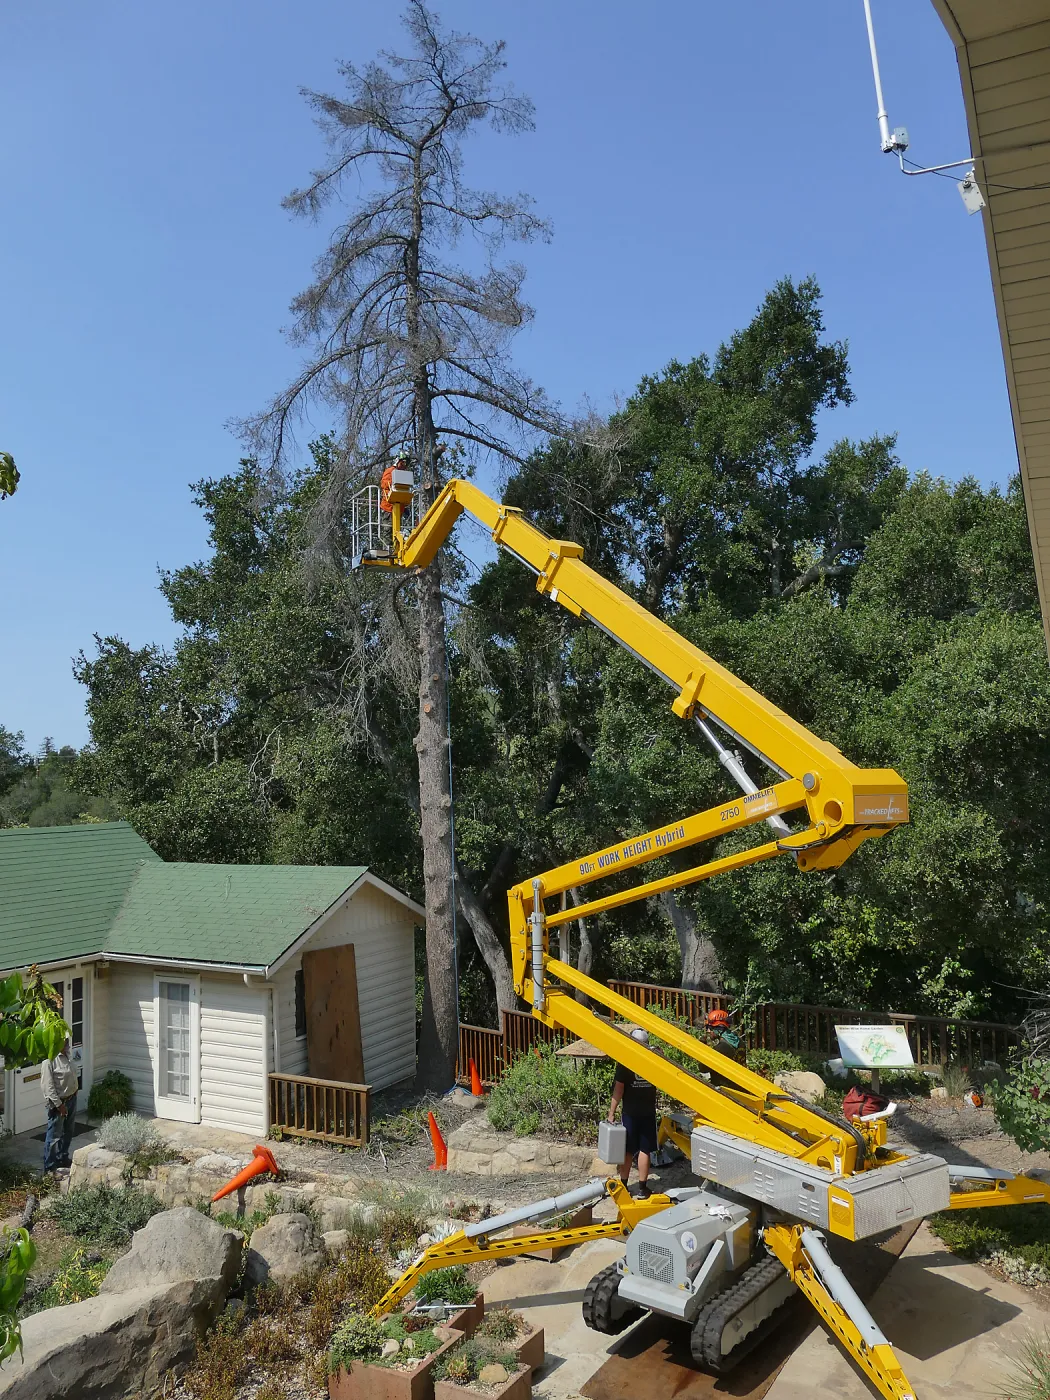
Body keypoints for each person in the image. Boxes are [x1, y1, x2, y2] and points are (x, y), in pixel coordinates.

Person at [608, 1028, 658, 1198]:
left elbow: (619, 1090)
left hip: (630, 1113)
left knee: (628, 1150)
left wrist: (611, 1112)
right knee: (645, 1149)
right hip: (648, 1111)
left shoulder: (625, 1060)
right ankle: (643, 1189)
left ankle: (623, 1185)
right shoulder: (653, 1060)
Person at [41, 1037, 79, 1173]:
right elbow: (48, 1088)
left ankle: (63, 1157)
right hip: (59, 1104)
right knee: (54, 1136)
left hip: (72, 1099)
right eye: (64, 1040)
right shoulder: (49, 1061)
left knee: (68, 1131)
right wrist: (59, 1105)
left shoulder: (67, 1056)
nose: (67, 1042)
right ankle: (50, 1166)